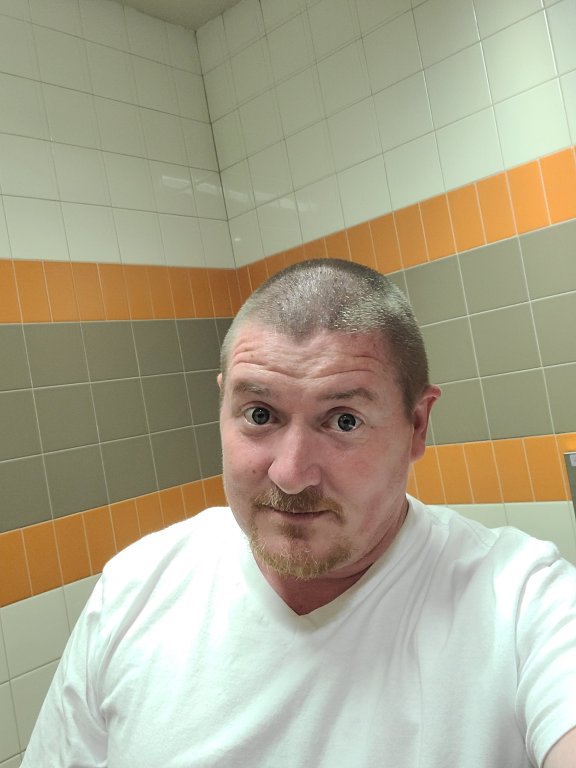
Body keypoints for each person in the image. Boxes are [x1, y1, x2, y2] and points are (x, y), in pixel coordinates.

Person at [23, 258, 576, 767]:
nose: (290, 474)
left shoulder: (523, 604)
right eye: (259, 414)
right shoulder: (135, 590)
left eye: (343, 421)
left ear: (417, 425)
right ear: (223, 404)